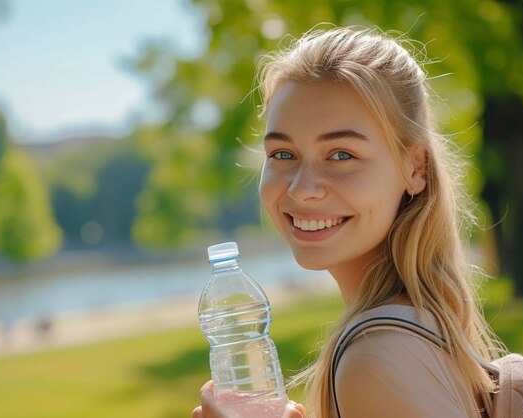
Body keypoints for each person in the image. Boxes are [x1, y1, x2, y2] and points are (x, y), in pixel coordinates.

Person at [192, 25, 504, 418]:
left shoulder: (375, 359)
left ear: (416, 168)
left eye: (341, 154)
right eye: (283, 154)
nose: (303, 189)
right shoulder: (420, 323)